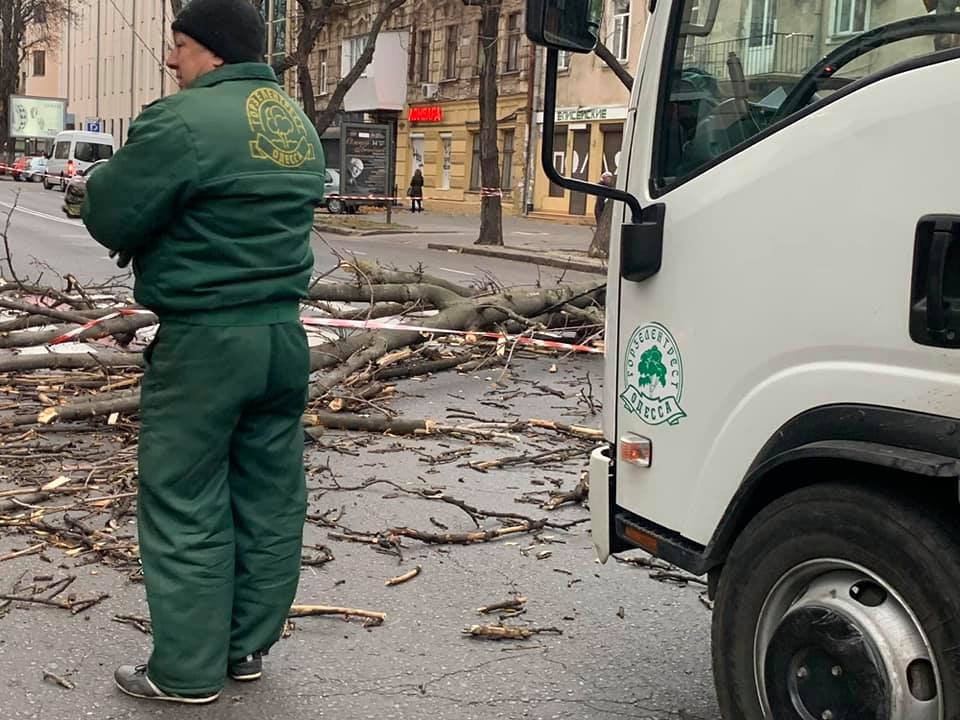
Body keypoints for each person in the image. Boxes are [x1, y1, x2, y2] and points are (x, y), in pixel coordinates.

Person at [80, 0, 326, 705]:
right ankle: (244, 647)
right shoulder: (294, 123)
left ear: (213, 52)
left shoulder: (181, 119)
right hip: (282, 339)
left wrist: (96, 190)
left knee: (185, 499)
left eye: (179, 45)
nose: (170, 59)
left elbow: (112, 211)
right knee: (270, 498)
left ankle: (185, 673)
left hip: (206, 344)